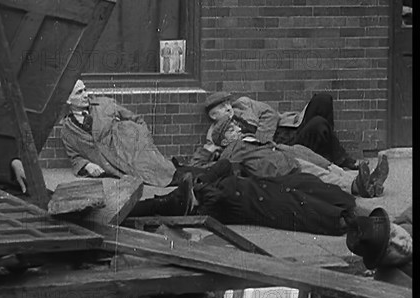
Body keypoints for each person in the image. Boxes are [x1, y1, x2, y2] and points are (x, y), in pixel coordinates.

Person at [129, 158, 360, 236]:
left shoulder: (206, 186)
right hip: (257, 196)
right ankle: (351, 211)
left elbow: (224, 165)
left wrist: (202, 181)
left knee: (306, 183)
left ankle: (353, 194)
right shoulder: (210, 206)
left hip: (261, 185)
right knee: (300, 204)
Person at [60, 79, 187, 187]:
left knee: (168, 174)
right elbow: (74, 157)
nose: (85, 95)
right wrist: (87, 165)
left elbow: (137, 120)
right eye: (79, 92)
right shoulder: (68, 130)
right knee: (160, 177)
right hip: (114, 167)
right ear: (68, 100)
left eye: (85, 90)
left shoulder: (104, 104)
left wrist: (142, 142)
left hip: (131, 152)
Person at [188, 91, 359, 170]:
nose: (227, 108)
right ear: (213, 115)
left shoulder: (243, 104)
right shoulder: (215, 134)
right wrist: (265, 146)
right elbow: (213, 157)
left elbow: (270, 113)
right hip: (284, 148)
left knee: (322, 99)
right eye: (221, 107)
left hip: (289, 128)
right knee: (319, 124)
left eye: (227, 103)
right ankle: (340, 160)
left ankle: (328, 154)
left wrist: (262, 138)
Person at [213, 128, 389, 198]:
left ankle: (370, 181)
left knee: (315, 159)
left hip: (283, 155)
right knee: (318, 174)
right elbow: (223, 170)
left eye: (234, 126)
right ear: (223, 141)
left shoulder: (244, 140)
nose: (237, 128)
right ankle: (356, 186)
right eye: (230, 130)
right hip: (279, 166)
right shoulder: (230, 151)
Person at [346, 205, 412, 286]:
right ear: (381, 262)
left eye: (394, 233)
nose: (400, 244)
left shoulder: (406, 222)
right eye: (389, 250)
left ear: (392, 224)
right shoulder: (396, 281)